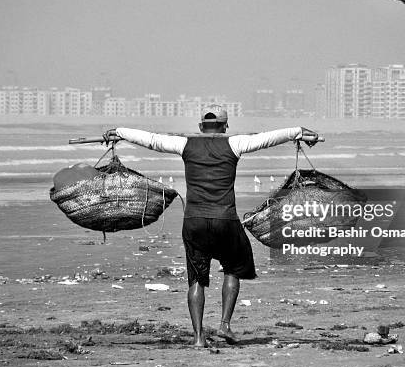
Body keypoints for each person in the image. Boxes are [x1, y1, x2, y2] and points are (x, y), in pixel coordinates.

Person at [110, 105, 318, 347]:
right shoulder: (235, 143)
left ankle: (199, 338)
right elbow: (266, 139)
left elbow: (153, 141)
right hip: (225, 220)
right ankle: (224, 325)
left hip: (194, 221)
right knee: (232, 269)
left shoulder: (185, 144)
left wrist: (119, 131)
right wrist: (297, 131)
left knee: (196, 279)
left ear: (200, 127)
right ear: (225, 126)